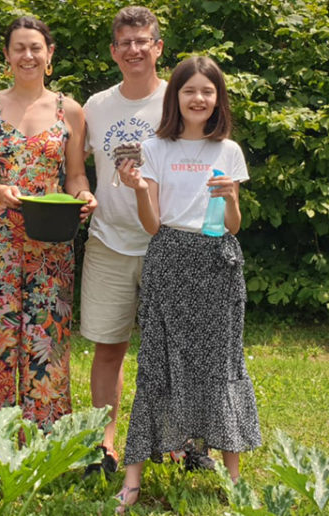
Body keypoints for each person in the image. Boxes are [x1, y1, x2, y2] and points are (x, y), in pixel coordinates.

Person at [114, 56, 262, 511]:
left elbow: (232, 227)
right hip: (169, 259)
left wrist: (232, 198)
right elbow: (153, 226)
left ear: (218, 99)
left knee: (220, 365)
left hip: (217, 262)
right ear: (175, 97)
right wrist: (140, 189)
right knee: (157, 365)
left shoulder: (229, 151)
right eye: (189, 91)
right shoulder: (156, 148)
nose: (199, 98)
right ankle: (133, 478)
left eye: (208, 91)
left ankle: (233, 478)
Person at [0, 16, 97, 434]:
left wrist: (83, 196)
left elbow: (75, 175)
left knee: (46, 339)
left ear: (50, 54)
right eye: (19, 47)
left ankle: (46, 446)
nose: (28, 55)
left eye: (36, 47)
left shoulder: (69, 110)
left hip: (50, 240)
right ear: (7, 56)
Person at [80, 6, 166, 475]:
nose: (134, 49)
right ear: (114, 52)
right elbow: (77, 170)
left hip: (168, 243)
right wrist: (81, 195)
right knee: (108, 347)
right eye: (125, 43)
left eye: (143, 41)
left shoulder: (180, 99)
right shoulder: (95, 106)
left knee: (172, 346)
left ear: (158, 47)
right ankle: (104, 445)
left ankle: (174, 440)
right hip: (108, 241)